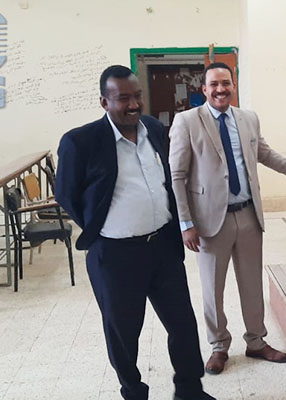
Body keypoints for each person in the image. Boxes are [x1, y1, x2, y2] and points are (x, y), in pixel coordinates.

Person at [55, 65, 213, 400]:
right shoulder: (80, 142)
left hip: (162, 248)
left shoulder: (153, 128)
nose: (134, 104)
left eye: (137, 96)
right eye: (123, 98)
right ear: (104, 102)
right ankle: (133, 392)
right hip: (116, 256)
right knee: (124, 334)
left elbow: (166, 179)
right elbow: (66, 194)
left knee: (183, 324)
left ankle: (189, 390)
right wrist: (101, 225)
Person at [169, 62, 286, 375]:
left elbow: (265, 154)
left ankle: (256, 341)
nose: (220, 89)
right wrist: (186, 223)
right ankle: (218, 346)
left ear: (233, 85)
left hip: (248, 215)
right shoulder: (187, 121)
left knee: (252, 284)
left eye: (225, 83)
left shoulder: (248, 118)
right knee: (213, 289)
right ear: (204, 89)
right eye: (214, 84)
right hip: (210, 221)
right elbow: (177, 175)